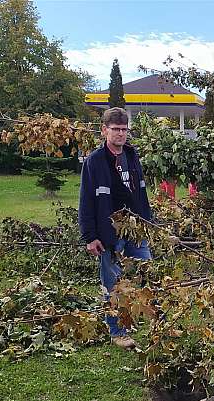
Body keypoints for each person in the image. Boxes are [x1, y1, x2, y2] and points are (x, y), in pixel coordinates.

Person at [78, 107, 152, 350]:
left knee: (148, 273)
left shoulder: (132, 156)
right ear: (104, 130)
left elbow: (141, 195)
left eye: (124, 129)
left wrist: (150, 225)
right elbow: (87, 200)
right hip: (109, 234)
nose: (121, 134)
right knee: (112, 284)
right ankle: (118, 331)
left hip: (136, 230)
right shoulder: (95, 162)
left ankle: (151, 321)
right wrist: (90, 236)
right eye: (116, 129)